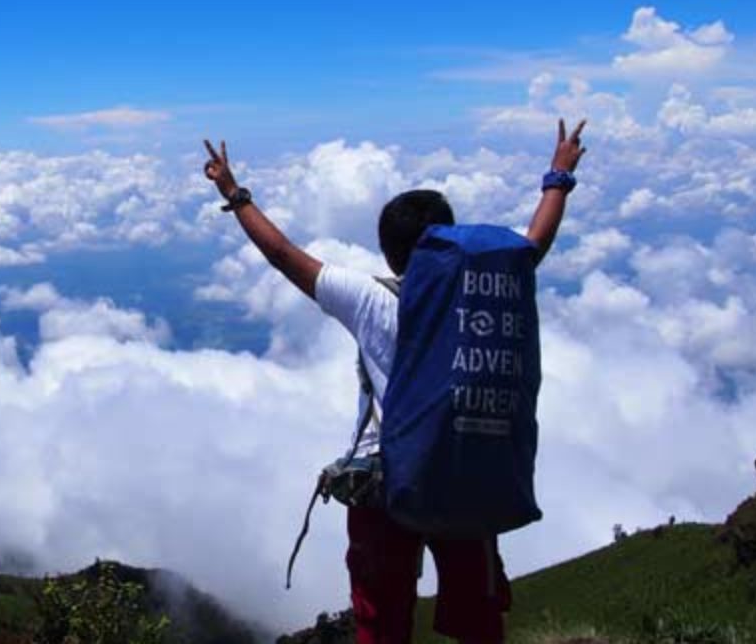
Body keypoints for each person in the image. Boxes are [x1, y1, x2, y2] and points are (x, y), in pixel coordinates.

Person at [201, 120, 587, 644]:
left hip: (384, 481)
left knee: (381, 619)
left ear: (388, 252)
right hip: (463, 470)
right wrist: (558, 174)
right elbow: (536, 238)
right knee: (477, 616)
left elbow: (282, 255)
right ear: (448, 237)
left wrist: (234, 193)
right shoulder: (485, 286)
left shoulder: (369, 299)